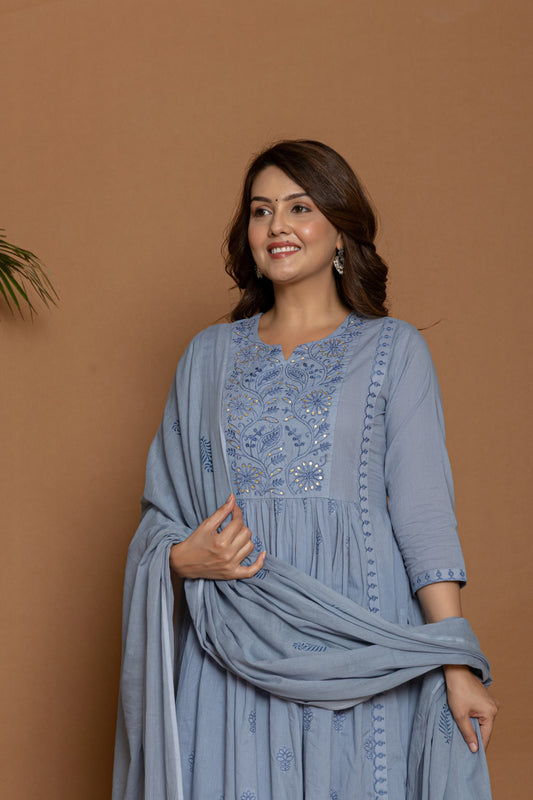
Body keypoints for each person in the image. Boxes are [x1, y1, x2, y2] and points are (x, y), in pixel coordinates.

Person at [113, 140, 498, 800]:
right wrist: (180, 559)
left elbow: (423, 514)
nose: (277, 226)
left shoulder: (393, 350)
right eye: (260, 210)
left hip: (359, 640)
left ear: (340, 229)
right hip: (231, 640)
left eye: (299, 207)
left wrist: (455, 658)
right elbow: (164, 513)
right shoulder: (207, 357)